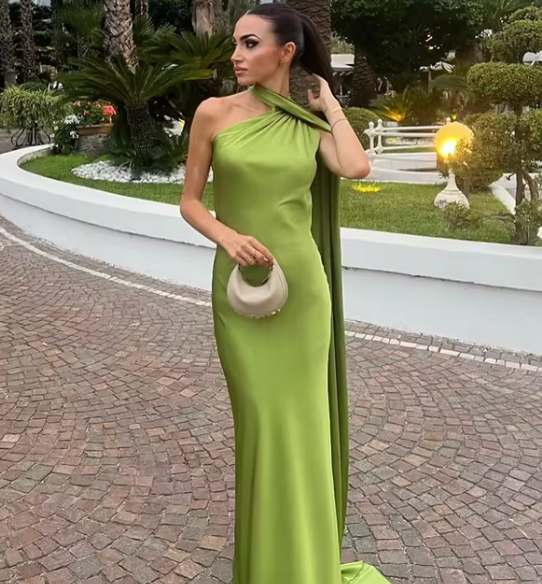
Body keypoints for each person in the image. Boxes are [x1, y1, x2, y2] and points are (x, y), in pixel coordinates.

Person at [180, 4, 390, 584]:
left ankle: (306, 567)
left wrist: (330, 104)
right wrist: (228, 236)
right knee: (261, 423)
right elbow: (190, 202)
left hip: (302, 294)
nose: (236, 55)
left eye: (250, 43)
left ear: (286, 51)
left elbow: (356, 166)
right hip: (239, 291)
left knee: (304, 426)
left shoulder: (306, 124)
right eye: (236, 44)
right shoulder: (213, 114)